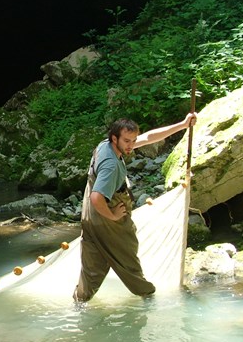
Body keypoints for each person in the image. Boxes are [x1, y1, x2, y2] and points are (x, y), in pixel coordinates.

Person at [73, 113, 197, 302]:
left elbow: (148, 138)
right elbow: (97, 197)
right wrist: (113, 216)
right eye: (127, 141)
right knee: (127, 258)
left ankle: (79, 303)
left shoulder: (105, 146)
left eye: (133, 140)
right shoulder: (111, 165)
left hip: (90, 218)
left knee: (92, 268)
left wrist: (182, 125)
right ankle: (148, 297)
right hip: (107, 220)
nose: (131, 145)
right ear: (115, 138)